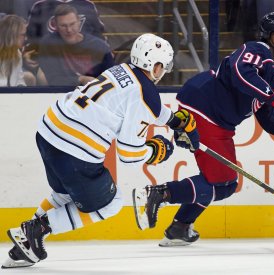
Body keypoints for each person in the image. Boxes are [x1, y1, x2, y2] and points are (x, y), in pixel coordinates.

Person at [132, 12, 274, 247]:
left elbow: (271, 118)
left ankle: (180, 227)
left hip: (213, 116)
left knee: (223, 182)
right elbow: (239, 69)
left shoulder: (271, 75)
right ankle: (160, 194)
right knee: (223, 182)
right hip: (206, 110)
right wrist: (269, 95)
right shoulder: (259, 50)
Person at [2, 33, 199, 268]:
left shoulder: (121, 70)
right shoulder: (145, 95)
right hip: (75, 149)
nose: (163, 71)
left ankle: (23, 246)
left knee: (64, 196)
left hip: (49, 131)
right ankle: (36, 229)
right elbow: (129, 155)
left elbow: (139, 105)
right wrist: (157, 151)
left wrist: (174, 120)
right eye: (162, 66)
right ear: (155, 66)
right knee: (111, 203)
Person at [38, 4, 114, 86]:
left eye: (72, 24)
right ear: (55, 26)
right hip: (61, 93)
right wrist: (81, 79)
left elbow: (111, 77)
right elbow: (53, 80)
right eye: (63, 26)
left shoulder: (99, 46)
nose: (69, 30)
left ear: (79, 22)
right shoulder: (49, 44)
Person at [0, 15, 28, 86]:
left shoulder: (17, 53)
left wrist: (21, 87)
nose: (25, 39)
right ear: (11, 35)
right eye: (23, 35)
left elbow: (19, 80)